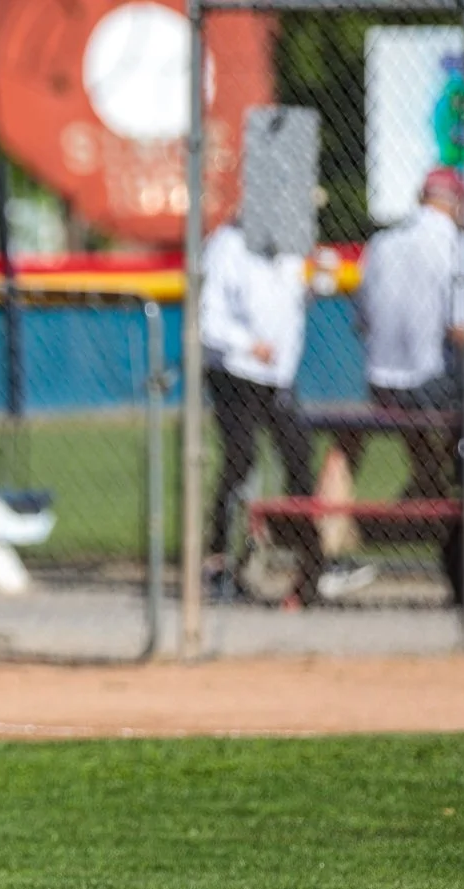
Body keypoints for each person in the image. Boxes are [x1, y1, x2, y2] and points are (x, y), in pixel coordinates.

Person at [199, 220, 327, 606]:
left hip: (277, 375)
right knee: (240, 460)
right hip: (234, 372)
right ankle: (219, 561)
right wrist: (248, 344)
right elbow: (208, 320)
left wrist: (317, 283)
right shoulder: (227, 245)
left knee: (299, 458)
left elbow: (288, 302)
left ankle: (307, 559)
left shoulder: (287, 245)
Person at [355, 167, 464, 500]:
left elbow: (362, 321)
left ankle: (429, 480)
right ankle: (456, 482)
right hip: (426, 387)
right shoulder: (457, 245)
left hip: (380, 385)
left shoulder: (381, 242)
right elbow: (459, 329)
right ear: (457, 202)